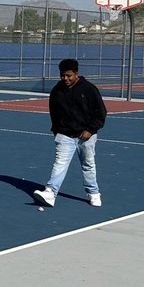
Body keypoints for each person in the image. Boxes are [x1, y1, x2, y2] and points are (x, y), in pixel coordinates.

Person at [33, 58, 108, 208]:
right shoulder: (57, 90)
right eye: (62, 75)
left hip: (86, 136)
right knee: (59, 164)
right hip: (64, 135)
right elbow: (54, 113)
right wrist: (56, 131)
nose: (65, 79)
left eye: (68, 75)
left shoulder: (89, 89)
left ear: (76, 73)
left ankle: (93, 193)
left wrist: (90, 130)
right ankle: (50, 192)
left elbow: (101, 113)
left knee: (88, 165)